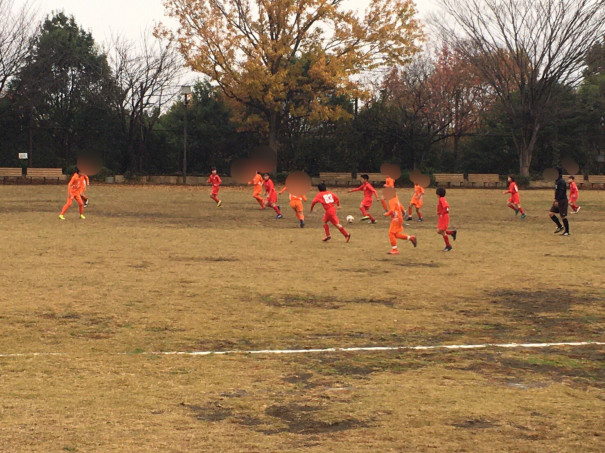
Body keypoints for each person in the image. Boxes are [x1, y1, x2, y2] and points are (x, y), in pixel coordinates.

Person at [549, 167, 569, 235]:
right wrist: (555, 199)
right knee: (551, 213)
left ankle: (567, 231)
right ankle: (560, 226)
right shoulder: (557, 180)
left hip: (562, 200)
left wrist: (557, 200)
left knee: (563, 216)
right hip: (557, 200)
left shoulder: (561, 181)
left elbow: (562, 192)